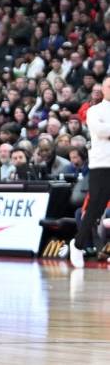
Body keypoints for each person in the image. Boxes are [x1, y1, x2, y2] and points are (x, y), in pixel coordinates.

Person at [71, 76, 110, 268]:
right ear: (103, 89)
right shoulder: (94, 111)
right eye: (109, 86)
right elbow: (101, 131)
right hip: (102, 165)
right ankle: (77, 245)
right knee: (95, 207)